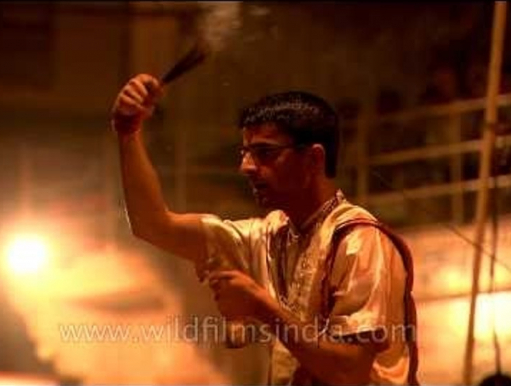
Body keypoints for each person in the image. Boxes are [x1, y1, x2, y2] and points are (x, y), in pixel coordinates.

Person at [110, 73, 419, 385]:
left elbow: (349, 371)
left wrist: (260, 305)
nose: (245, 167)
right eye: (244, 153)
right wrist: (129, 133)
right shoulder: (270, 235)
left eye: (264, 153)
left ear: (313, 159)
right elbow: (152, 225)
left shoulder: (360, 242)